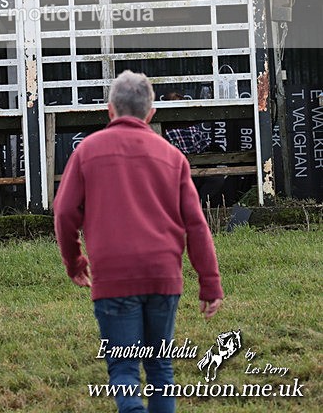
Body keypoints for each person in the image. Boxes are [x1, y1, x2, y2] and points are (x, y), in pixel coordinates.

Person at [53, 70, 224, 413]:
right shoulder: (172, 157)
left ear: (109, 110)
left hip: (113, 279)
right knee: (161, 368)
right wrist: (210, 283)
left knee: (124, 368)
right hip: (163, 277)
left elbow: (64, 212)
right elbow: (196, 224)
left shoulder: (87, 152)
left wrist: (75, 261)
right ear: (151, 113)